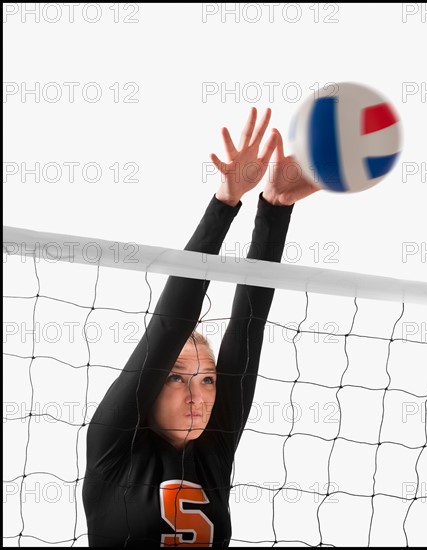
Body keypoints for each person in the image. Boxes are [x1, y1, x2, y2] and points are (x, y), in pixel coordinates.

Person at [82, 107, 322, 547]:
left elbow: (248, 326)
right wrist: (225, 202)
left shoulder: (213, 453)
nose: (199, 397)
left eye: (208, 379)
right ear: (150, 384)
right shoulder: (111, 452)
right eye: (177, 378)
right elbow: (171, 325)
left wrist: (274, 209)